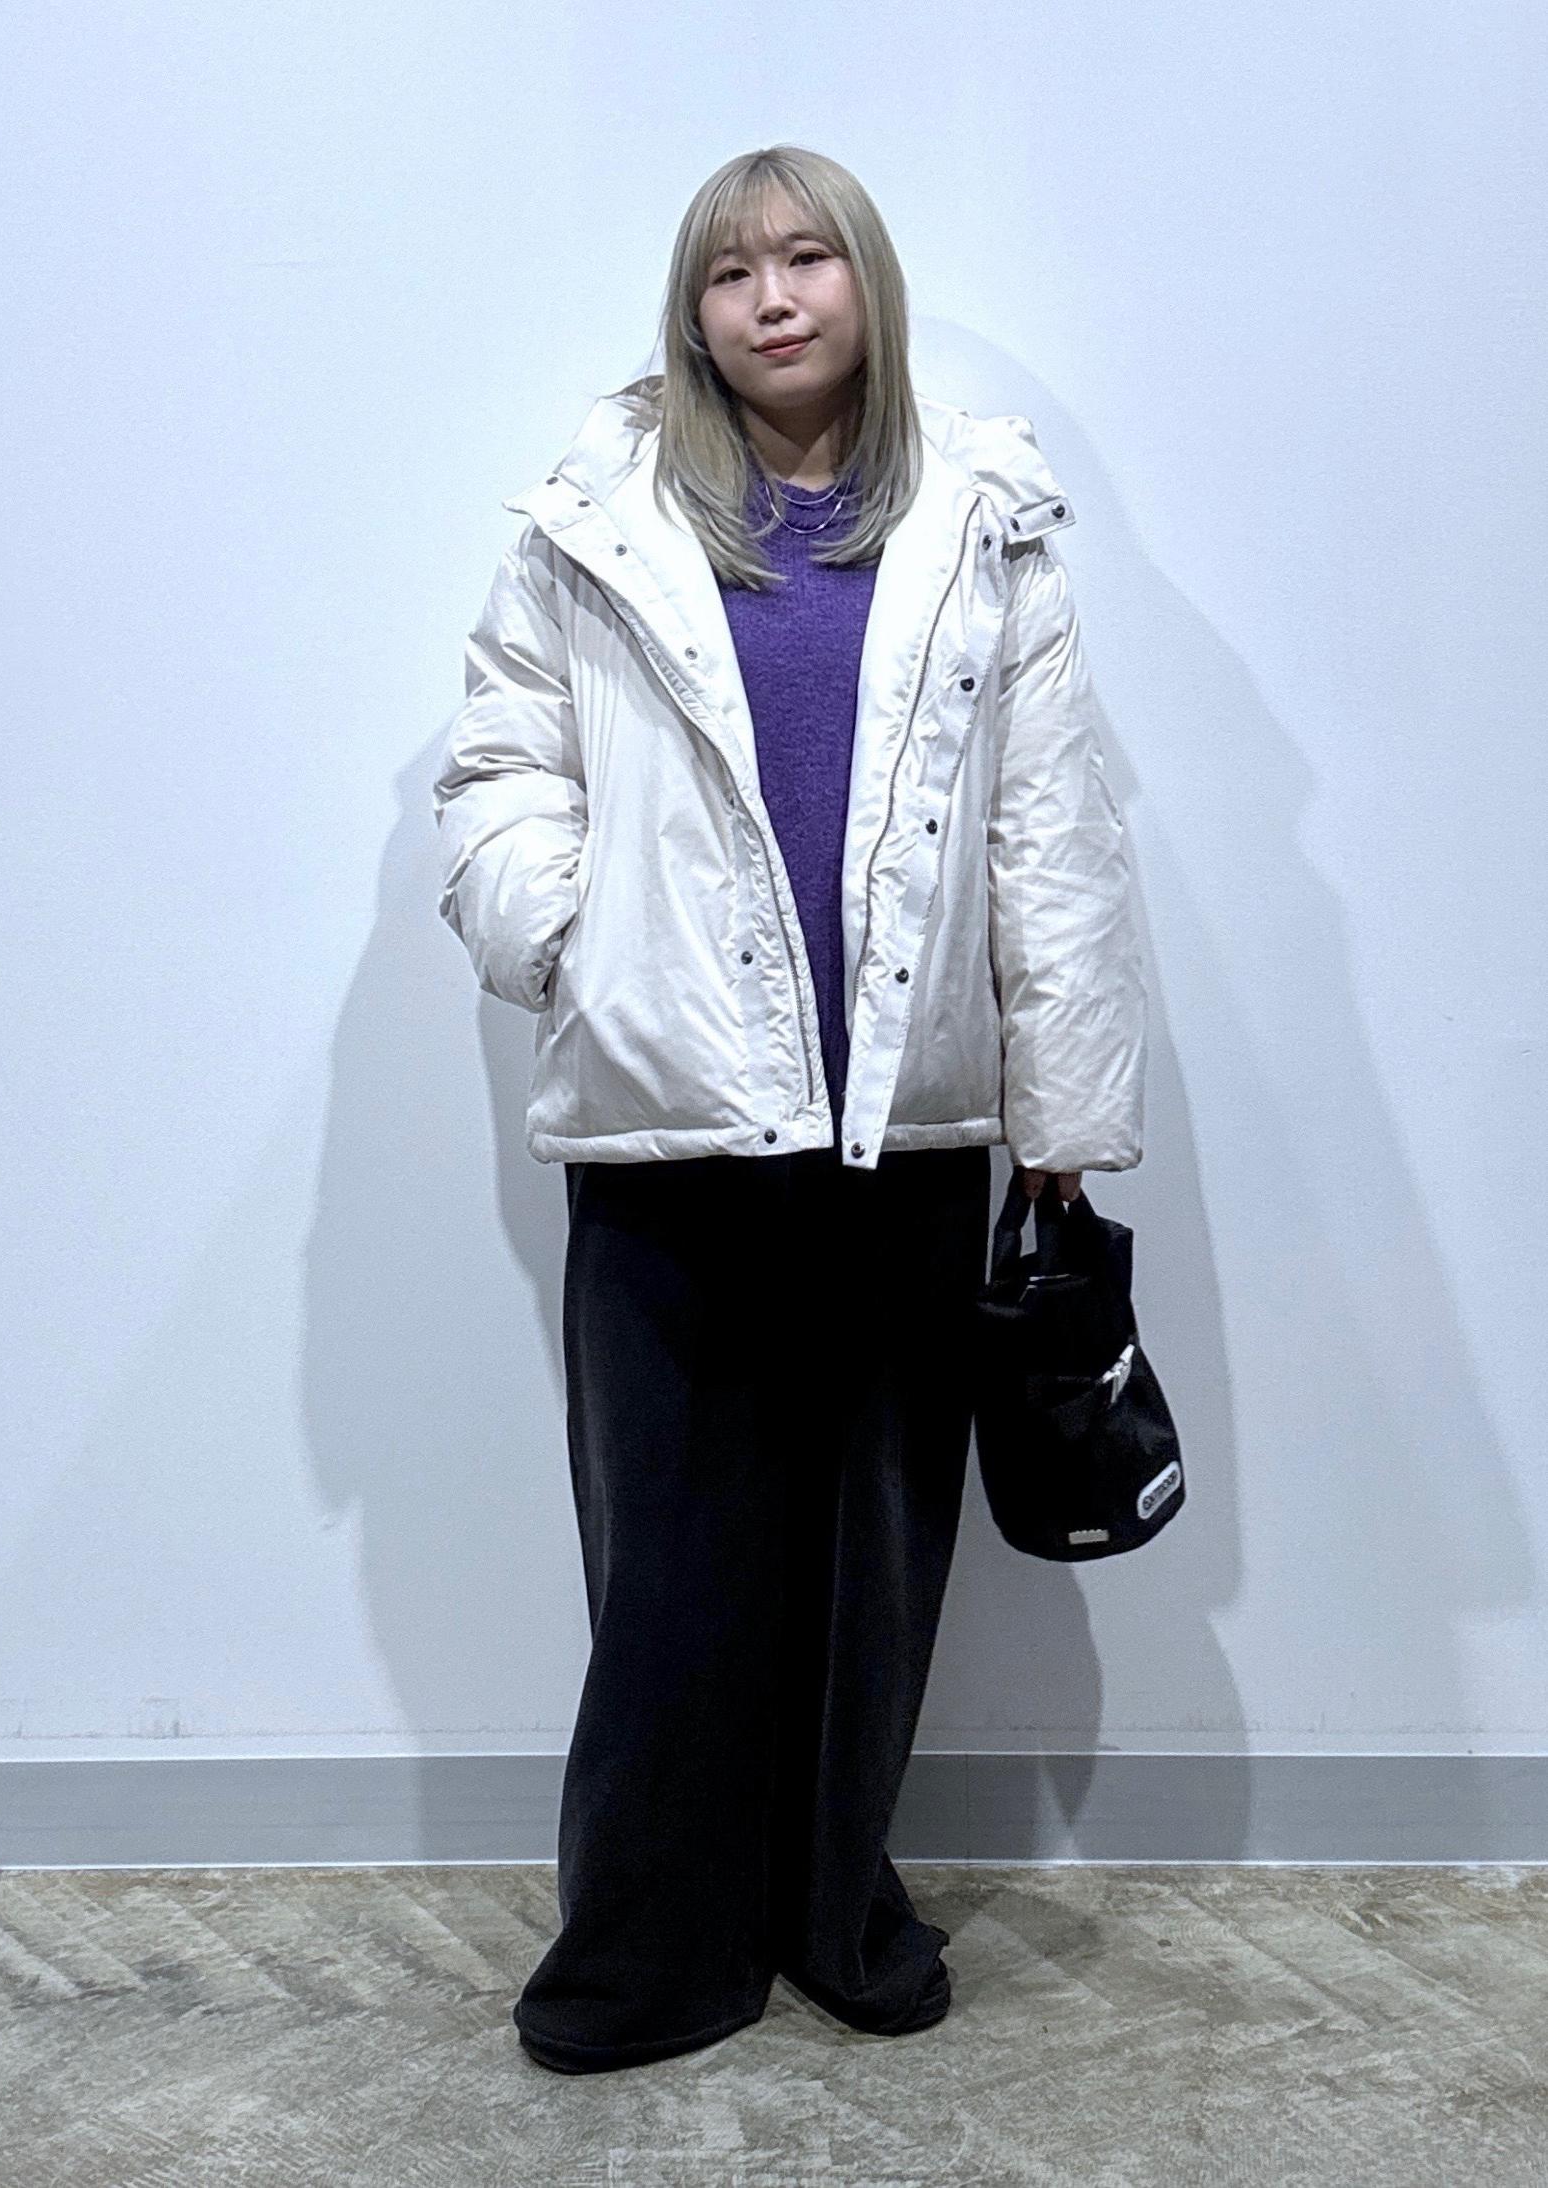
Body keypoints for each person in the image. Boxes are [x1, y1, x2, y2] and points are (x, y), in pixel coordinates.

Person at [432, 144, 1147, 2075]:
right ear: (692, 309)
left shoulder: (982, 521)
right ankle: (652, 1951)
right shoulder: (596, 517)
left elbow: (1050, 831)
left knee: (873, 1573)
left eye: (806, 256)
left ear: (862, 284)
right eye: (731, 269)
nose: (771, 296)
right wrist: (570, 941)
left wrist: (1062, 1113)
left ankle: (838, 1913)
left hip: (901, 1131)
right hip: (670, 1128)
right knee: (671, 1576)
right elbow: (500, 764)